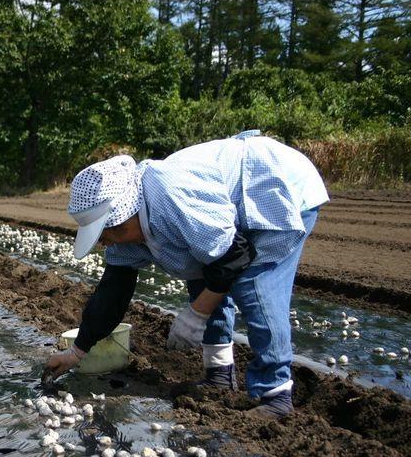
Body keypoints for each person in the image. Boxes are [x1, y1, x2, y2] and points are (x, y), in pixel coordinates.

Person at [43, 129, 329, 418]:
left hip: (272, 184)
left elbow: (234, 255)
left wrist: (197, 314)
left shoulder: (171, 197)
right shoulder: (126, 232)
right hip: (233, 206)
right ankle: (219, 375)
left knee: (254, 287)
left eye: (108, 231)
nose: (106, 240)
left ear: (124, 214)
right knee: (201, 276)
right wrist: (77, 352)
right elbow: (112, 292)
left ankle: (275, 394)